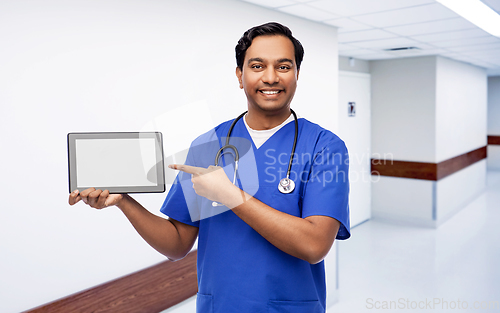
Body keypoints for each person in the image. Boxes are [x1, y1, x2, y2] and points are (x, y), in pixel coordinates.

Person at [69, 22, 350, 313]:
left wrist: (231, 196)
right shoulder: (209, 144)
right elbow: (177, 244)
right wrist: (124, 202)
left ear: (296, 74)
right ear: (240, 76)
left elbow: (315, 246)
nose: (270, 77)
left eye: (283, 66)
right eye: (257, 66)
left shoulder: (324, 146)